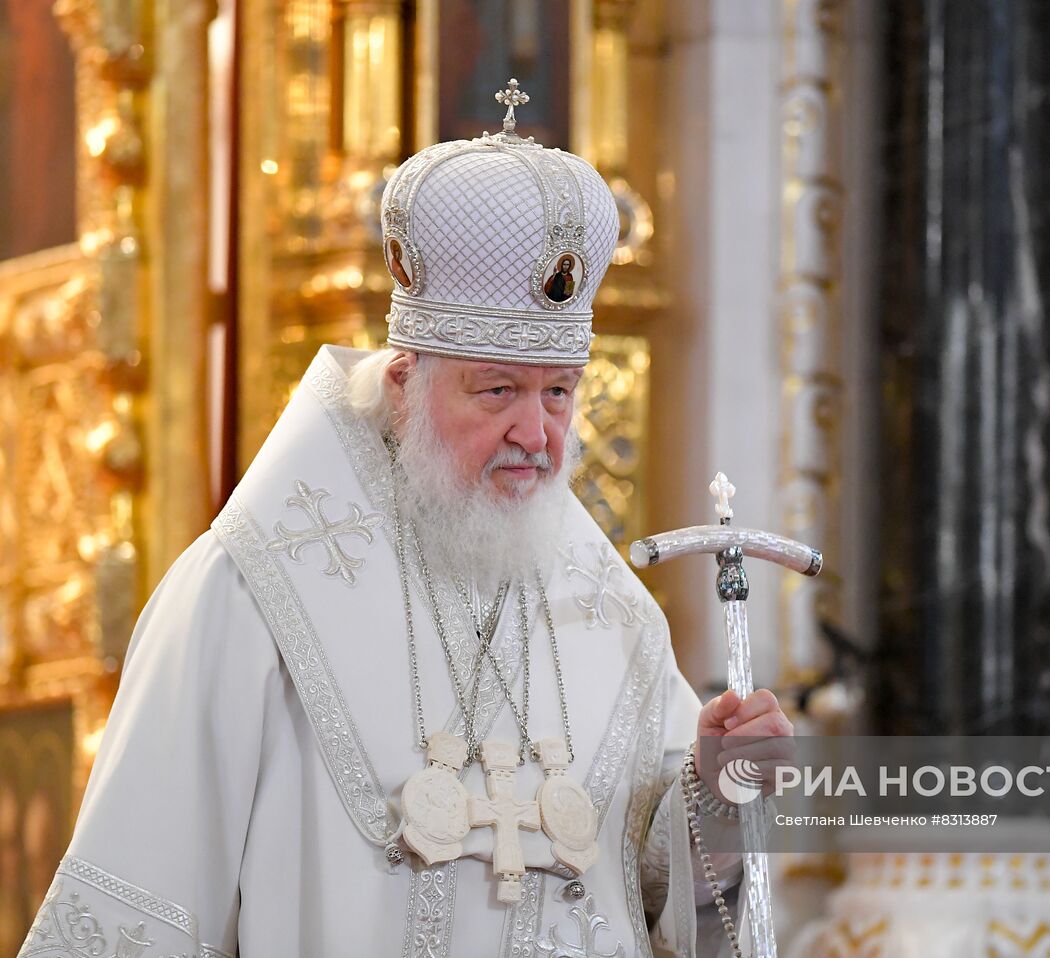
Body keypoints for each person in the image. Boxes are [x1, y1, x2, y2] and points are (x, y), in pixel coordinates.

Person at [20, 82, 793, 958]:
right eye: (496, 390)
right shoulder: (250, 596)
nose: (534, 434)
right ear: (403, 384)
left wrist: (717, 797)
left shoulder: (612, 617)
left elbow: (659, 899)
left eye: (558, 394)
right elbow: (137, 911)